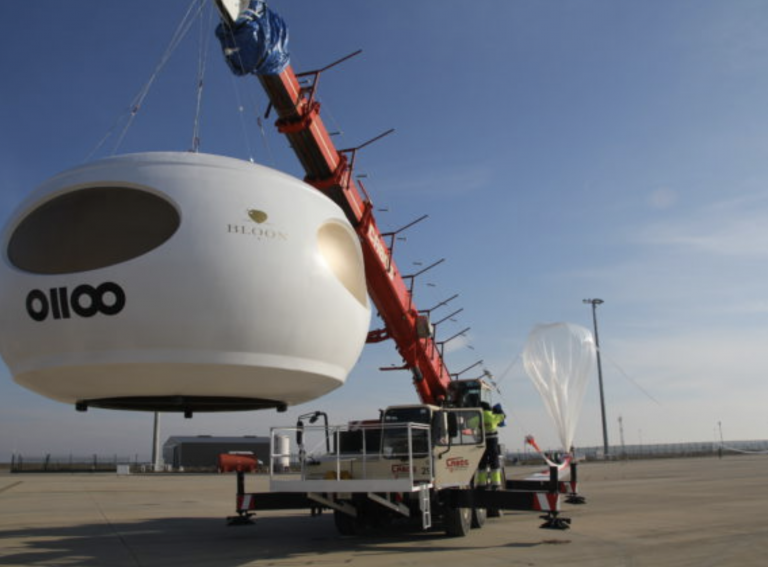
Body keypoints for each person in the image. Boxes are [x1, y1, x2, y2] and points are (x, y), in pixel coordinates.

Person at [477, 402, 506, 489]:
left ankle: (482, 484)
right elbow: (503, 416)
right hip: (493, 441)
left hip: (482, 442)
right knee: (494, 461)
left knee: (482, 462)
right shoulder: (493, 417)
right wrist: (498, 410)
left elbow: (469, 423)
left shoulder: (478, 417)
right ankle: (496, 483)